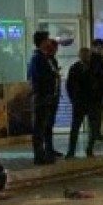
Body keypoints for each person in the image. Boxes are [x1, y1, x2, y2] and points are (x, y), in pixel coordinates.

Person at [27, 36, 61, 164]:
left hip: (50, 97)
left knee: (47, 126)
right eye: (46, 41)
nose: (49, 43)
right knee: (39, 128)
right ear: (41, 43)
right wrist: (53, 75)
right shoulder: (37, 59)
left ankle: (48, 151)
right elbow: (38, 77)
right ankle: (39, 155)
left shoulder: (48, 58)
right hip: (42, 97)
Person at [65, 47, 97, 158]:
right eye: (83, 55)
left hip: (92, 101)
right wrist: (73, 99)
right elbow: (69, 85)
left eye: (87, 55)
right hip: (79, 102)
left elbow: (100, 82)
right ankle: (71, 151)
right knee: (75, 127)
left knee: (93, 127)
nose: (85, 57)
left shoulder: (94, 67)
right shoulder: (74, 68)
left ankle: (90, 148)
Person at [89, 38, 103, 145]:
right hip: (95, 92)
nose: (101, 49)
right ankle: (94, 133)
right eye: (99, 47)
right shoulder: (92, 60)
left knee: (98, 114)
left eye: (101, 48)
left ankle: (96, 132)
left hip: (100, 92)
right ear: (93, 47)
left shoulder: (99, 59)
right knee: (95, 114)